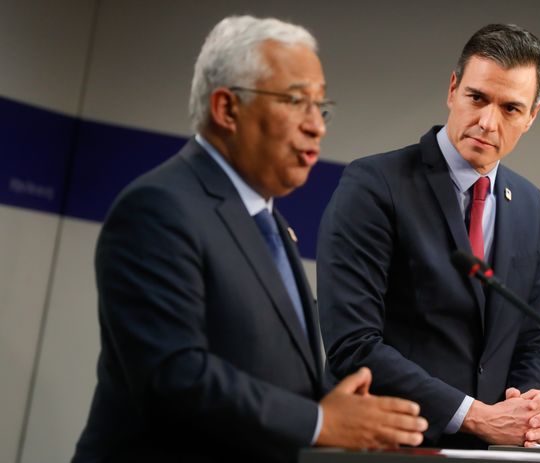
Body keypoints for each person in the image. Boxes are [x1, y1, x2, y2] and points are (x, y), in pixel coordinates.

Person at [72, 15, 427, 463]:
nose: (317, 125)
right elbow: (173, 375)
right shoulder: (158, 208)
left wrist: (340, 406)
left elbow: (266, 369)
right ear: (227, 109)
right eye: (296, 101)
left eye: (321, 106)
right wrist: (320, 422)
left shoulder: (270, 222)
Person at [317, 23, 540, 450]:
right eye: (477, 98)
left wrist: (527, 409)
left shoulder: (529, 205)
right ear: (453, 90)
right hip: (382, 446)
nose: (487, 122)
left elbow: (531, 340)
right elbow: (352, 344)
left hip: (481, 454)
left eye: (510, 108)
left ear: (532, 116)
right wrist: (477, 416)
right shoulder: (375, 184)